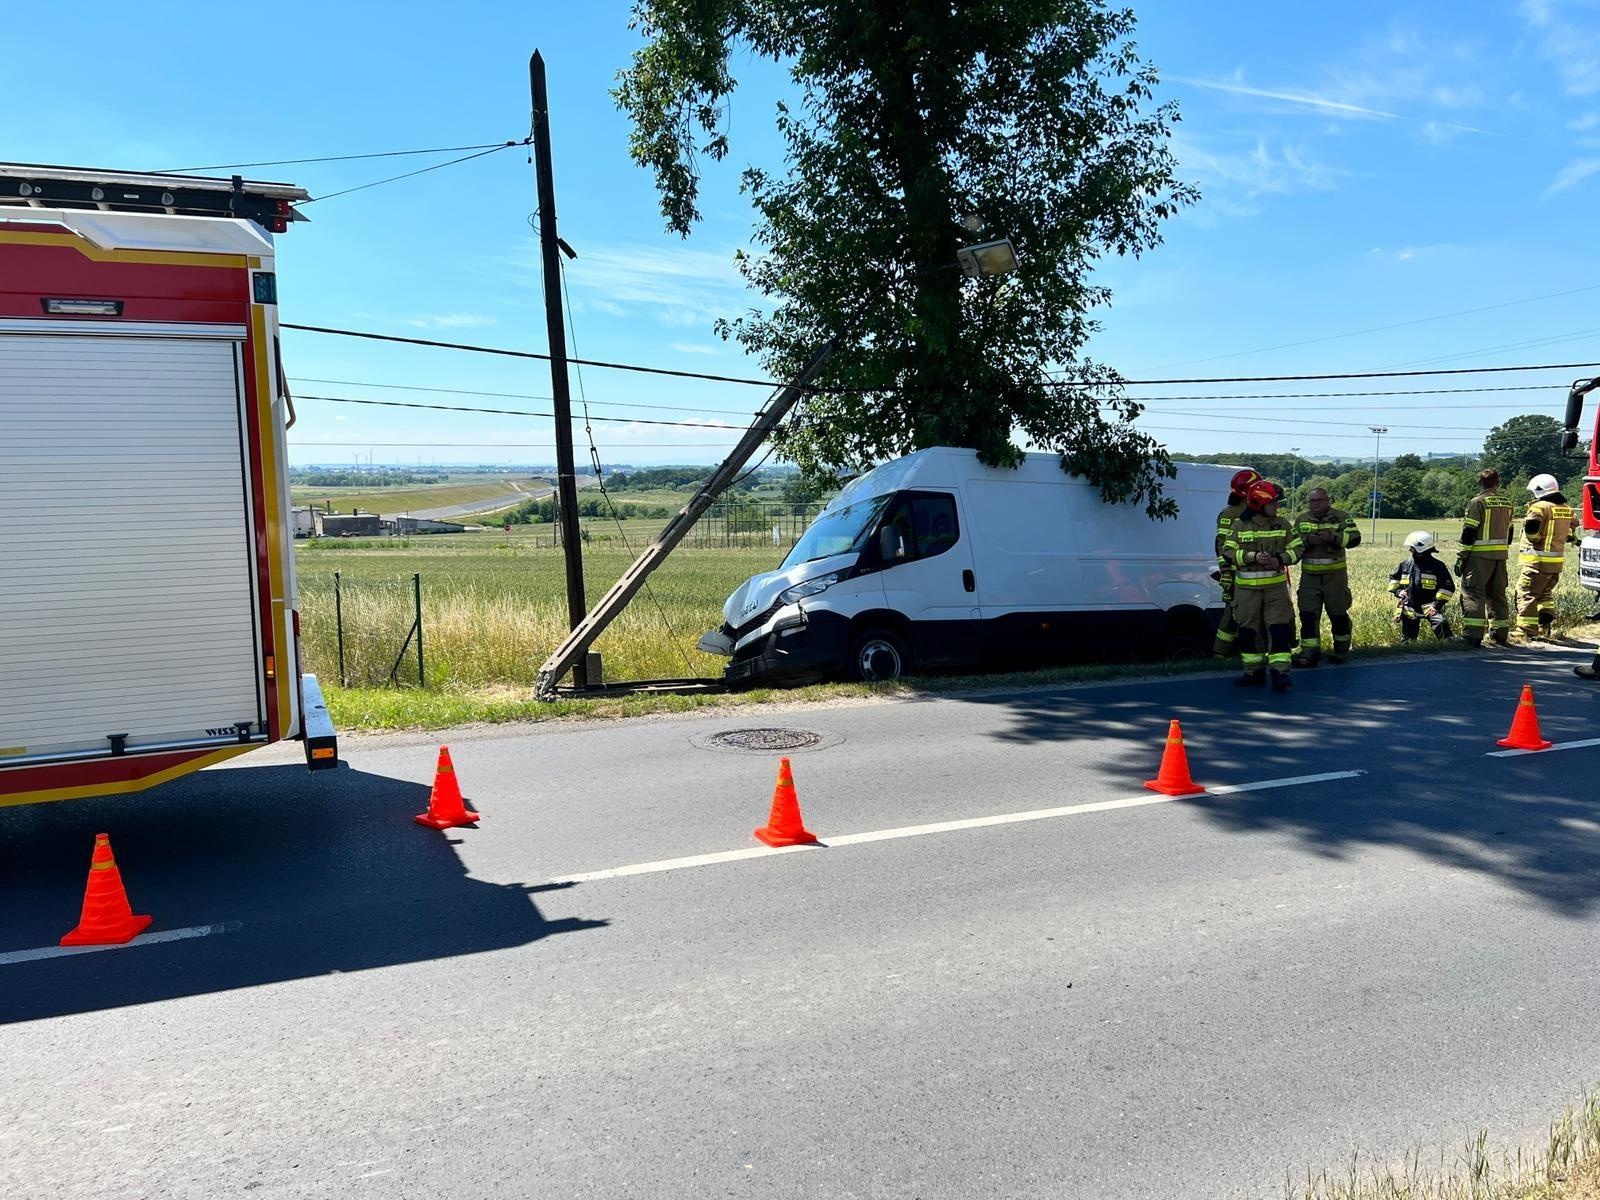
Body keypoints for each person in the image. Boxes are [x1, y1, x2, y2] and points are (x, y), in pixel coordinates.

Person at [1223, 479, 1302, 691]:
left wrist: (1280, 559)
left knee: (1278, 629)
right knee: (1248, 631)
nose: (1277, 507)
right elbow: (1228, 552)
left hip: (1275, 589)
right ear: (1259, 503)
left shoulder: (1283, 524)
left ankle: (1280, 673)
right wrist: (1252, 556)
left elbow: (1298, 548)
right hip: (1246, 591)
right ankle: (1253, 672)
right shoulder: (1239, 526)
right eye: (1273, 503)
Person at [1289, 487, 1361, 667]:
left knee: (1337, 614)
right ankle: (1310, 653)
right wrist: (1307, 541)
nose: (1315, 505)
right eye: (1312, 501)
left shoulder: (1341, 517)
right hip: (1309, 578)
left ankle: (1341, 651)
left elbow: (1355, 539)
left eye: (1319, 501)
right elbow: (1293, 544)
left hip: (1335, 577)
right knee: (1307, 615)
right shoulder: (1302, 519)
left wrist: (1332, 538)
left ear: (1328, 500)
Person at [1455, 468, 1514, 648]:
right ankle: (1500, 635)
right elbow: (1510, 533)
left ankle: (1472, 637)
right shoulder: (1507, 503)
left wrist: (1462, 556)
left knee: (1473, 594)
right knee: (1497, 595)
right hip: (1500, 557)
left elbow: (1469, 532)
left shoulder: (1477, 502)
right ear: (1498, 482)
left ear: (1479, 483)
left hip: (1479, 557)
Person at [1515, 473, 1577, 641]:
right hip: (1555, 562)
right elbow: (1572, 529)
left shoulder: (1539, 507)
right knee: (1545, 594)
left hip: (1537, 560)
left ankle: (1526, 630)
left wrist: (1534, 540)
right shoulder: (1567, 508)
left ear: (1538, 490)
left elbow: (1531, 528)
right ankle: (1544, 627)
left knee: (1525, 593)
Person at [1212, 468, 1259, 658]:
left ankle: (1241, 651)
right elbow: (1221, 545)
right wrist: (1225, 571)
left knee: (1244, 612)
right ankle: (1221, 653)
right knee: (1232, 613)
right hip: (1236, 571)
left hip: (1250, 570)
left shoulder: (1251, 511)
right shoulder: (1231, 513)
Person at [1388, 531, 1456, 641]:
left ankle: (1449, 646)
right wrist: (1398, 591)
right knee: (1408, 641)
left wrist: (1436, 605)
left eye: (1412, 547)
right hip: (1410, 607)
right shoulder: (1405, 565)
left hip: (1430, 606)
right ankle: (1407, 647)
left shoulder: (1437, 566)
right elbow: (1393, 580)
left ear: (1421, 548)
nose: (1409, 550)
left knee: (1441, 625)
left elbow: (1448, 588)